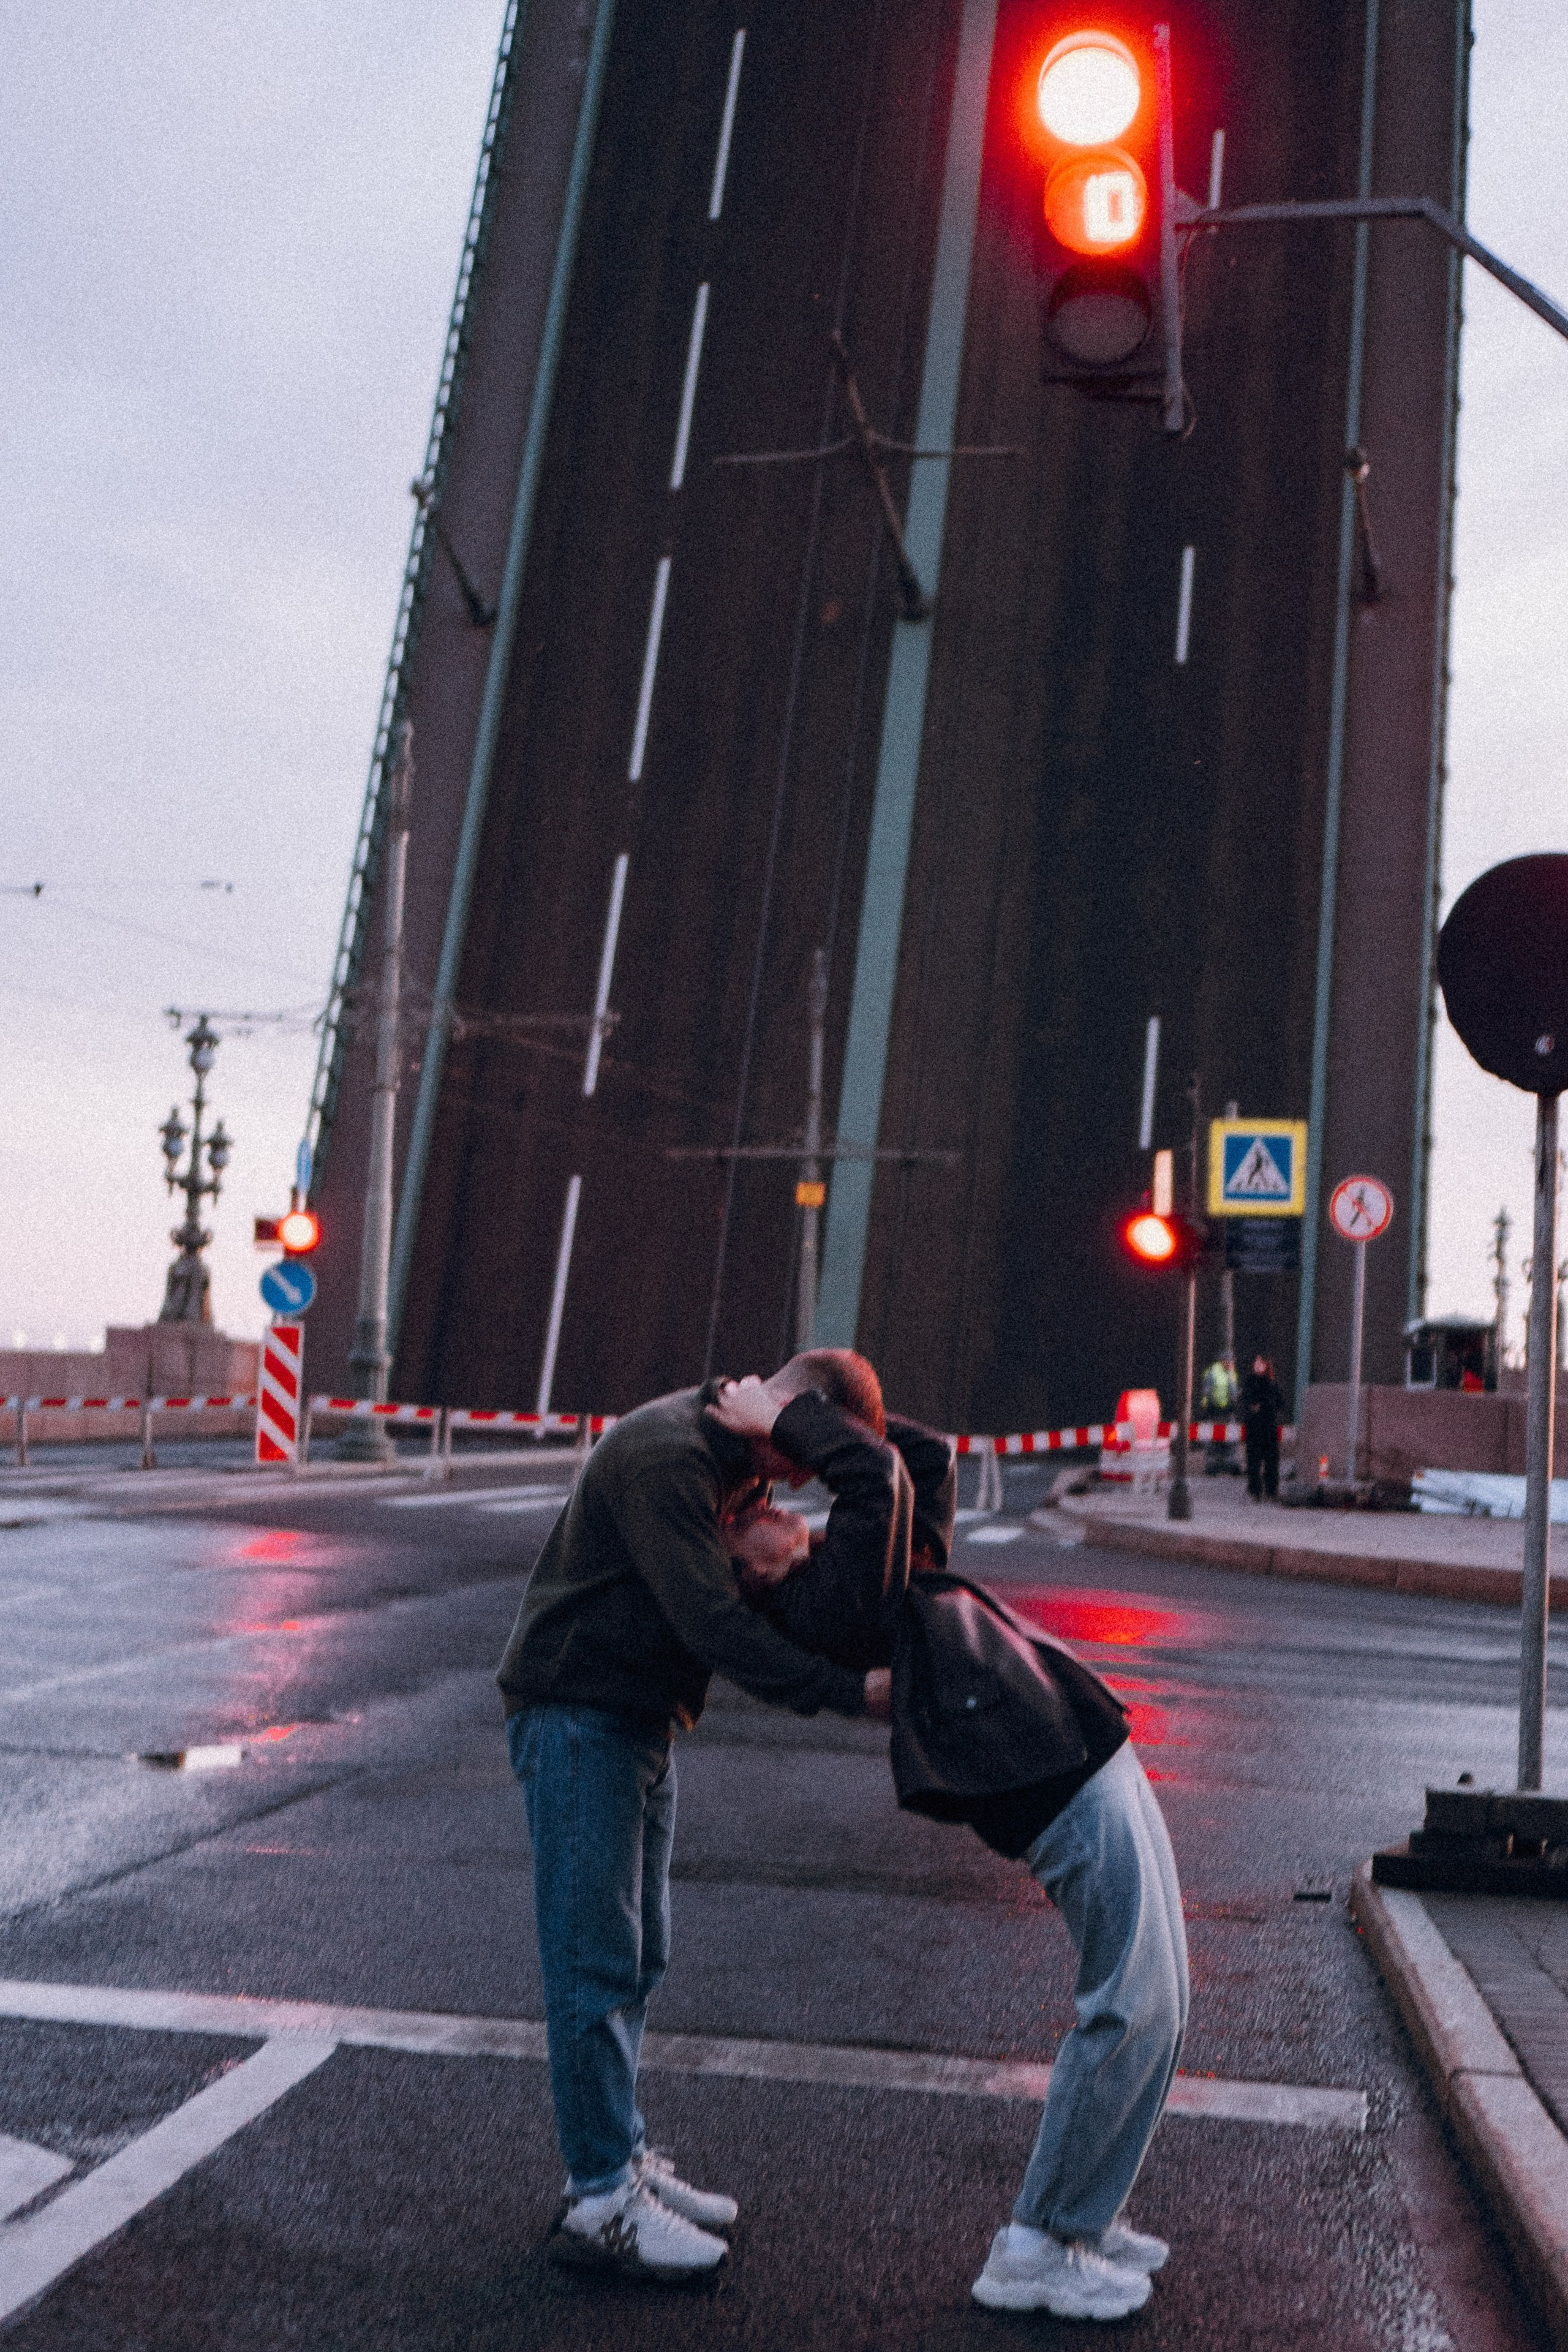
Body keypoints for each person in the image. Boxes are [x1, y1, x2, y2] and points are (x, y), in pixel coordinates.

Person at [713, 1378, 1188, 2326]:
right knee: (1127, 2009)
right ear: (741, 1572)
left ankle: (1084, 2217)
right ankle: (1041, 2244)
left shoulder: (868, 1573)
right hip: (1057, 1785)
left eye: (770, 1490)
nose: (771, 1503)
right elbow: (879, 1481)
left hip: (1086, 1756)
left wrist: (815, 1409)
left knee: (1162, 2001)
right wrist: (792, 1422)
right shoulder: (825, 1607)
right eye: (747, 1511)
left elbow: (919, 1463)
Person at [497, 1350, 893, 2285]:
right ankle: (600, 2199)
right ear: (784, 1411)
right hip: (579, 1711)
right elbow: (715, 1626)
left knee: (641, 1953)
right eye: (801, 1458)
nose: (793, 1482)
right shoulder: (671, 1458)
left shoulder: (736, 1449)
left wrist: (834, 1446)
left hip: (637, 1719)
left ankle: (622, 2155)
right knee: (593, 1958)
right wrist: (851, 1694)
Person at [1240, 1353, 1286, 1499]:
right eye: (1256, 1362)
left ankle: (1271, 1490)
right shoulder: (1250, 1382)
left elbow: (1279, 1403)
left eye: (1260, 1363)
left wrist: (1264, 1406)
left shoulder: (1271, 1383)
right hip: (1254, 1428)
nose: (1257, 1365)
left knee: (1271, 1460)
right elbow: (1244, 1400)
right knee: (1253, 1460)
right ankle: (1255, 1490)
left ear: (1266, 1365)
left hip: (1268, 1428)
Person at [1200, 1352, 1238, 1475]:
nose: (1232, 1364)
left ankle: (1230, 1464)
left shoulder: (1231, 1373)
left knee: (1230, 1438)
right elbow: (1207, 1392)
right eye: (1230, 1361)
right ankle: (1213, 1466)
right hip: (1215, 1412)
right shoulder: (1213, 1373)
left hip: (1228, 1411)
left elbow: (1233, 1392)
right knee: (1213, 1440)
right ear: (1224, 1361)